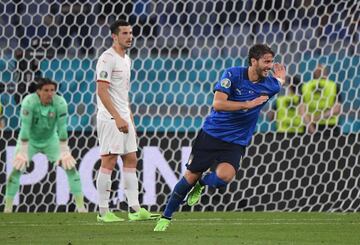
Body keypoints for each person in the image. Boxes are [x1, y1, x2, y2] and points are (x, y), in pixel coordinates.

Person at [154, 44, 286, 231]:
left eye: (272, 62)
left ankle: (201, 183)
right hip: (212, 135)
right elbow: (218, 104)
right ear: (253, 61)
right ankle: (165, 217)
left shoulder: (270, 85)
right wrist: (247, 104)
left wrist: (281, 78)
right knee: (189, 176)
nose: (270, 66)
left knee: (224, 178)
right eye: (266, 61)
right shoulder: (233, 75)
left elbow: (279, 82)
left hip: (236, 142)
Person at [95, 19, 159, 222]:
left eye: (131, 33)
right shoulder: (107, 58)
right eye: (125, 33)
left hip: (123, 117)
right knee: (109, 160)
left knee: (131, 158)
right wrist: (116, 117)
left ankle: (134, 209)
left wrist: (129, 117)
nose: (130, 36)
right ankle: (103, 212)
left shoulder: (126, 59)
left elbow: (122, 93)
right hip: (109, 118)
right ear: (114, 36)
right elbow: (102, 91)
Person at [4, 77, 87, 213]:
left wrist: (65, 150)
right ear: (38, 91)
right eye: (46, 90)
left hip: (51, 140)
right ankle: (7, 209)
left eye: (53, 90)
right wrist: (23, 151)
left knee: (71, 168)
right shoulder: (29, 102)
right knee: (16, 170)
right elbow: (25, 127)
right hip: (29, 140)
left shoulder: (60, 103)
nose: (50, 93)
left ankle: (81, 208)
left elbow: (62, 128)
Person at [299, 64, 342, 134]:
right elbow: (302, 110)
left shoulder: (305, 86)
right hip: (327, 127)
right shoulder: (333, 86)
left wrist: (313, 123)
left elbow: (337, 109)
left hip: (323, 126)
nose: (319, 72)